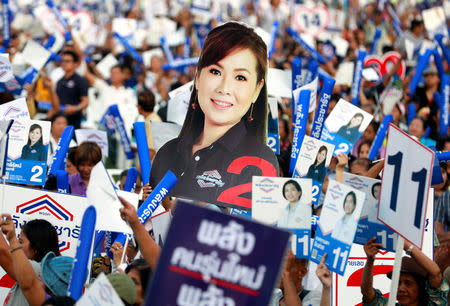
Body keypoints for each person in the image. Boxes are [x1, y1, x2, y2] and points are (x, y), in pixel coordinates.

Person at [149, 22, 279, 207]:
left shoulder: (260, 163)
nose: (224, 88)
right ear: (198, 78)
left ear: (257, 89)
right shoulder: (166, 154)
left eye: (240, 77)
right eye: (215, 71)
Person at [361, 237, 448, 305]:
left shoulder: (432, 304)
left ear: (420, 286)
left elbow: (435, 273)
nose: (401, 289)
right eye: (397, 283)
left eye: (408, 283)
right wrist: (370, 260)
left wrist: (405, 245)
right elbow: (368, 294)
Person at [0, 218, 60, 306]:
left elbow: (3, 252)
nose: (17, 245)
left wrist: (12, 239)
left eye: (20, 242)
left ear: (35, 248)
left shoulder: (38, 271)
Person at [55, 50, 89, 129]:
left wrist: (75, 108)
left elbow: (86, 101)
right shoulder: (60, 81)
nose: (64, 63)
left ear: (75, 64)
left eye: (67, 61)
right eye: (62, 61)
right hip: (60, 118)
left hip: (73, 119)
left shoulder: (80, 80)